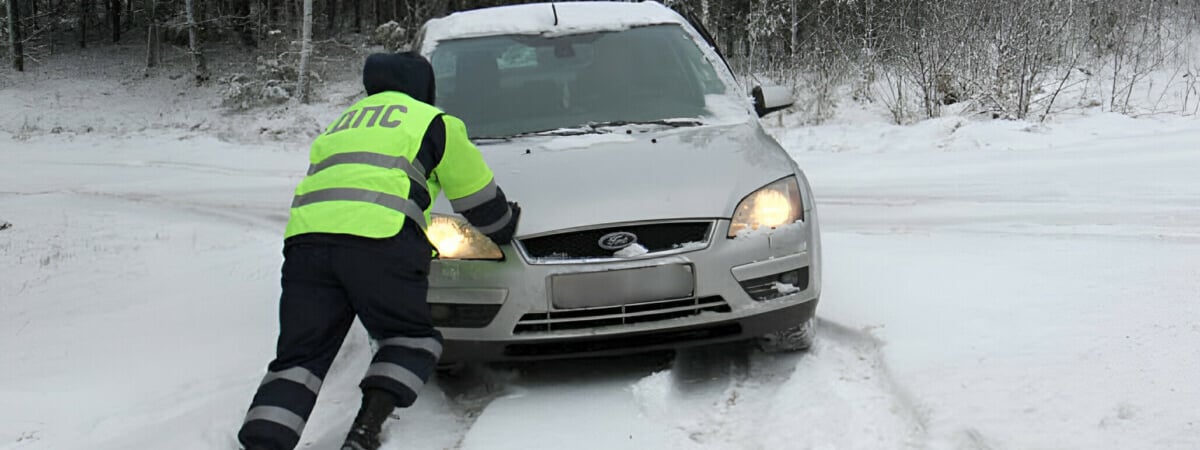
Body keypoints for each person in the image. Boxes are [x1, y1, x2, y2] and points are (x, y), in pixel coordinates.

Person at [238, 52, 520, 450]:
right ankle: (365, 431)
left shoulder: (341, 123)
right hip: (381, 240)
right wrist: (505, 226)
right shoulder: (432, 122)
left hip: (305, 246)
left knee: (300, 356)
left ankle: (263, 442)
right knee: (408, 338)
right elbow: (477, 198)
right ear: (424, 86)